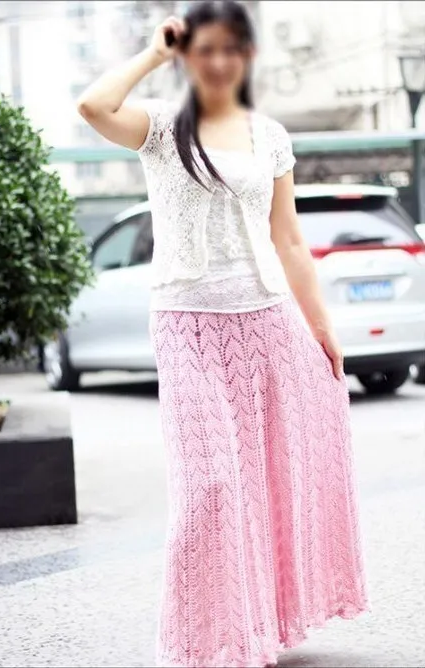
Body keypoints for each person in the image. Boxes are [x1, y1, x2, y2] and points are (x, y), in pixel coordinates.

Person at [77, 1, 368, 666]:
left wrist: (322, 329)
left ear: (247, 56)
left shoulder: (270, 136)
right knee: (210, 487)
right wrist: (154, 52)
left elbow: (289, 240)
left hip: (268, 322)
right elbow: (93, 107)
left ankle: (256, 629)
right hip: (188, 328)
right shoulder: (160, 127)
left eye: (230, 48)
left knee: (269, 478)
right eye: (204, 49)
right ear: (187, 56)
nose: (218, 61)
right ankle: (200, 642)